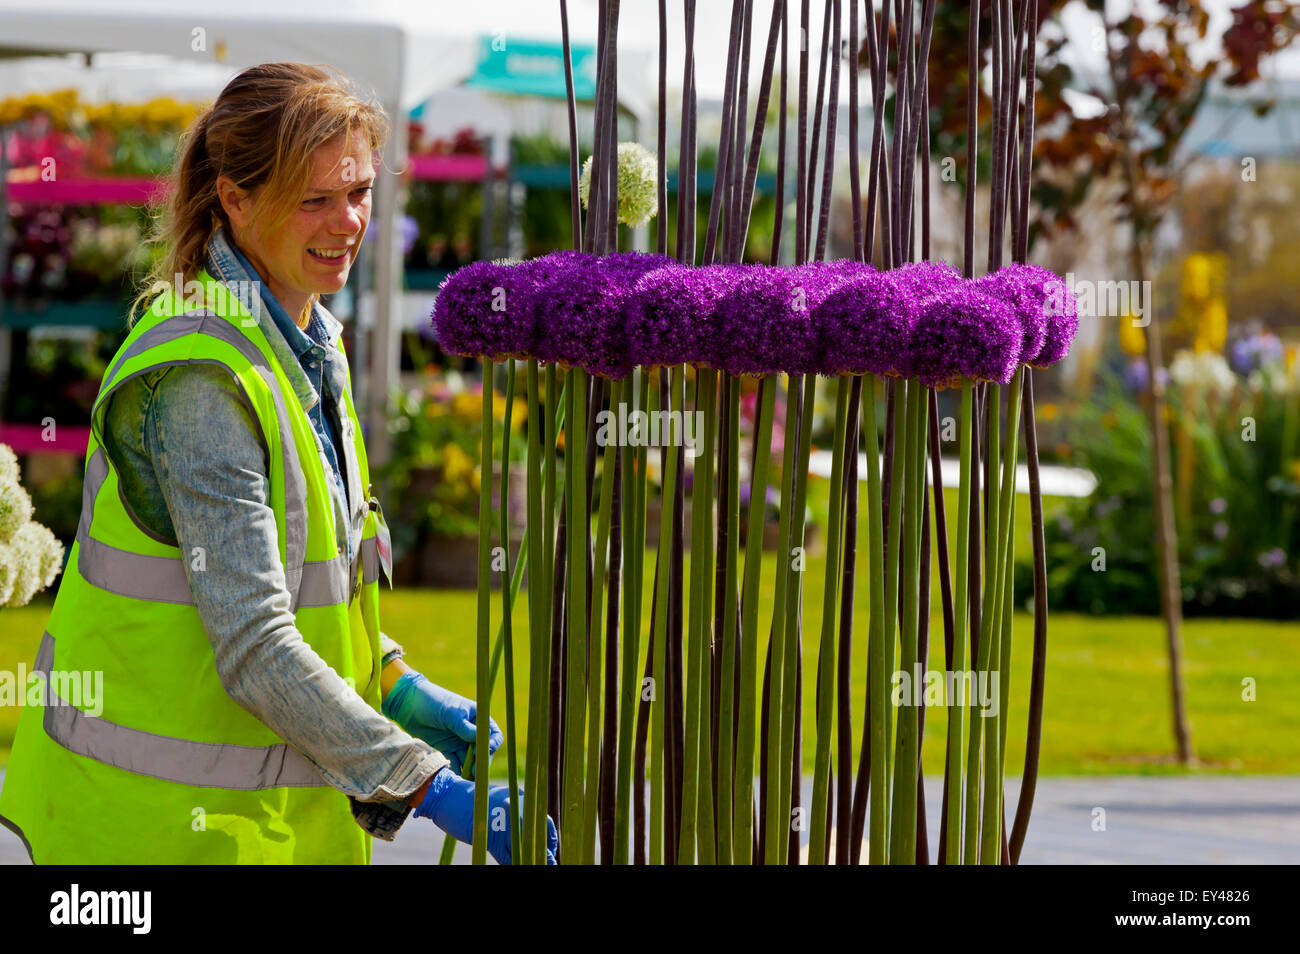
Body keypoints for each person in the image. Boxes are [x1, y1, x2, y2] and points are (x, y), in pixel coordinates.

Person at [0, 62, 557, 865]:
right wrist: (430, 784)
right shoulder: (201, 379)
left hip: (260, 830)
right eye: (314, 199)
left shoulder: (305, 338)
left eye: (360, 191)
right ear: (235, 198)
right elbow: (256, 644)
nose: (349, 222)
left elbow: (309, 583)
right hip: (152, 835)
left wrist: (395, 681)